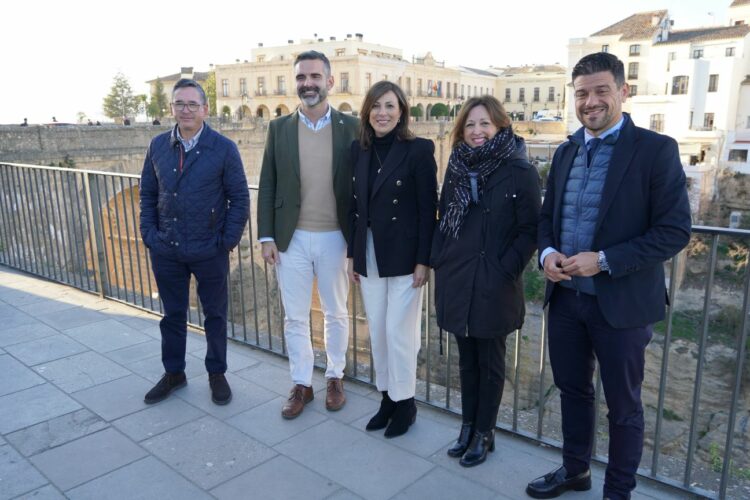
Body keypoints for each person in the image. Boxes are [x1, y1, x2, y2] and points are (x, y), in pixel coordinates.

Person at [526, 53, 691, 500]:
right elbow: (546, 220)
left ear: (623, 92)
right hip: (566, 301)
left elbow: (674, 231)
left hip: (622, 304)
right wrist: (547, 255)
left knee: (623, 406)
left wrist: (603, 259)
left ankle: (618, 492)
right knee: (572, 392)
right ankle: (575, 470)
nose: (591, 101)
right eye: (582, 93)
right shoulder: (564, 152)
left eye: (601, 91)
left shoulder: (656, 150)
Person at [431, 96, 540, 465]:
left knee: (490, 362)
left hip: (495, 283)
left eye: (485, 124)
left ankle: (484, 432)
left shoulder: (518, 170)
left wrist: (505, 268)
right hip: (459, 277)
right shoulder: (458, 167)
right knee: (466, 361)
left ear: (500, 126)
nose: (477, 132)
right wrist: (441, 259)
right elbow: (444, 217)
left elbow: (529, 230)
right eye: (470, 125)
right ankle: (467, 426)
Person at [257, 50, 359, 419]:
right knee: (295, 316)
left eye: (315, 77)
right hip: (292, 237)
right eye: (301, 77)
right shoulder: (279, 128)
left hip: (336, 236)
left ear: (329, 82)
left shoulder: (352, 127)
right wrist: (266, 236)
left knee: (337, 313)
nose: (307, 84)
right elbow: (268, 182)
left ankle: (334, 377)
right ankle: (302, 383)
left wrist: (358, 244)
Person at [139, 78, 249, 406]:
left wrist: (226, 241)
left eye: (192, 104)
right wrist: (150, 234)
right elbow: (147, 193)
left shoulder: (223, 148)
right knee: (172, 315)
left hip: (209, 249)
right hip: (167, 249)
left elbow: (239, 198)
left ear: (205, 108)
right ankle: (174, 372)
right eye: (179, 104)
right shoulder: (158, 146)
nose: (185, 110)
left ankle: (217, 373)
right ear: (171, 108)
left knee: (214, 315)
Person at [347, 81, 438, 437]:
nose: (382, 113)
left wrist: (423, 261)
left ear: (401, 111)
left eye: (389, 106)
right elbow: (355, 207)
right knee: (379, 332)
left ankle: (406, 403)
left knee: (399, 332)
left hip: (404, 255)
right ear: (367, 112)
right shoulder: (359, 150)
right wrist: (355, 255)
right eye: (376, 106)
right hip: (369, 252)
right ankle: (387, 398)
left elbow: (428, 208)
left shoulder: (418, 150)